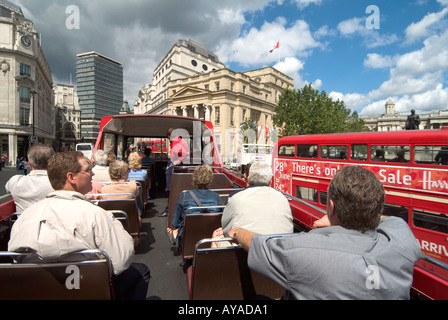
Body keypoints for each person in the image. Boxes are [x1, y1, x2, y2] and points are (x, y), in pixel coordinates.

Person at [227, 166, 421, 300]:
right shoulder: (402, 239)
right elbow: (389, 220)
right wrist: (349, 215)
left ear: (331, 206)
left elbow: (257, 244)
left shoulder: (303, 252)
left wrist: (236, 231)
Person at [8, 151, 150, 300]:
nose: (93, 174)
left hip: (37, 289)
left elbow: (16, 258)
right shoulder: (97, 214)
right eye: (88, 170)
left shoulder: (27, 215)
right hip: (88, 289)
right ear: (71, 177)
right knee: (141, 272)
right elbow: (121, 262)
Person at [212, 161, 293, 247]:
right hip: (279, 249)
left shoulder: (236, 199)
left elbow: (225, 227)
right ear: (270, 183)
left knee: (216, 236)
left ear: (248, 179)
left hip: (248, 250)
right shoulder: (282, 199)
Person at [168, 164, 221, 247]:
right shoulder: (216, 197)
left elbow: (175, 223)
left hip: (187, 241)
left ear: (194, 178)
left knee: (176, 228)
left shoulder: (185, 195)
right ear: (210, 179)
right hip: (209, 240)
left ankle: (175, 235)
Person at [5, 143, 55, 212]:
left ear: (30, 163)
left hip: (23, 221)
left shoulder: (16, 181)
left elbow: (7, 189)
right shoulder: (60, 184)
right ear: (52, 162)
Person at [159, 128, 189, 217]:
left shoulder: (175, 142)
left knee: (170, 188)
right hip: (181, 166)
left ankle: (169, 210)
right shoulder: (181, 140)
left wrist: (176, 161)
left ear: (169, 136)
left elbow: (184, 153)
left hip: (174, 164)